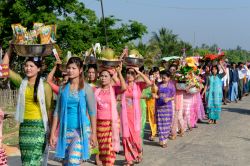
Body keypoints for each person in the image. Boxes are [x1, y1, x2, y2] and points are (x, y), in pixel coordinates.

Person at [2, 47, 53, 166]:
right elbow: (3, 68)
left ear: (39, 68)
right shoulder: (21, 82)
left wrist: (51, 131)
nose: (28, 68)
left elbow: (49, 109)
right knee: (26, 161)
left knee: (33, 160)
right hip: (24, 127)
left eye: (31, 66)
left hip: (39, 128)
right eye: (26, 66)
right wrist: (11, 48)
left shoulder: (45, 86)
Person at [50, 57, 97, 165]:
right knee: (66, 162)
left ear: (80, 70)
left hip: (80, 131)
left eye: (74, 68)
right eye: (69, 68)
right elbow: (57, 112)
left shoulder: (86, 88)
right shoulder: (62, 89)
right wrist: (53, 133)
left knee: (73, 161)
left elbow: (92, 112)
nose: (70, 71)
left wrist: (93, 134)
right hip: (65, 130)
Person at [95, 64, 126, 166]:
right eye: (102, 76)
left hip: (111, 124)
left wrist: (118, 73)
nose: (103, 78)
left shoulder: (114, 89)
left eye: (106, 76)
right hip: (99, 124)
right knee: (102, 151)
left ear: (110, 78)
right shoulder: (96, 91)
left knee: (109, 149)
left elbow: (123, 87)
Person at [121, 67, 151, 166]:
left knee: (135, 138)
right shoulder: (123, 84)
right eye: (128, 73)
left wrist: (138, 72)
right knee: (126, 137)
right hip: (125, 115)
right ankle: (129, 159)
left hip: (135, 116)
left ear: (135, 75)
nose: (129, 75)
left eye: (132, 73)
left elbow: (149, 83)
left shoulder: (138, 85)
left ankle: (138, 152)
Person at [156, 70, 176, 148]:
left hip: (167, 107)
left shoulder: (171, 86)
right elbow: (156, 94)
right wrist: (156, 96)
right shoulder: (158, 85)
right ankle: (161, 139)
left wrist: (169, 99)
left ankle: (165, 141)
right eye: (162, 78)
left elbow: (174, 96)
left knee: (167, 124)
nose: (163, 79)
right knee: (160, 123)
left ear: (169, 78)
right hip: (160, 106)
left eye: (164, 78)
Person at [147, 71, 158, 141]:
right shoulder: (146, 84)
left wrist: (153, 84)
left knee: (152, 119)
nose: (151, 78)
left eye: (153, 77)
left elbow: (155, 90)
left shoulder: (155, 85)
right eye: (150, 76)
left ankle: (153, 134)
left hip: (152, 104)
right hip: (145, 103)